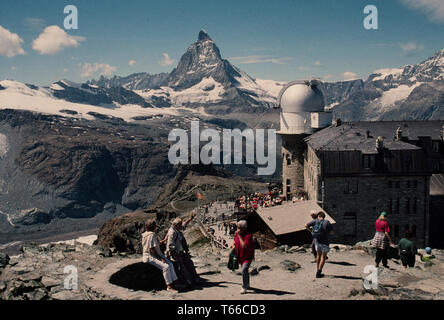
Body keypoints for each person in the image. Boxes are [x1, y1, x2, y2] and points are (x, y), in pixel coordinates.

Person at [165, 211, 203, 287]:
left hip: (181, 252)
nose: (181, 226)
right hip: (175, 254)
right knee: (182, 266)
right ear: (175, 225)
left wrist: (191, 218)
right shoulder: (172, 233)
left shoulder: (177, 229)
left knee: (190, 263)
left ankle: (194, 279)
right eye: (180, 225)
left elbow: (184, 225)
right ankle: (187, 281)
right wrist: (178, 256)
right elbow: (170, 246)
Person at [141, 219, 178, 293]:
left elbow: (156, 244)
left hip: (151, 254)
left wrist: (165, 239)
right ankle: (169, 286)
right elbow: (152, 249)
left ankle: (175, 282)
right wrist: (160, 258)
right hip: (150, 256)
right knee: (166, 267)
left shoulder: (145, 234)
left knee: (170, 264)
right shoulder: (151, 235)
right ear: (153, 226)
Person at [305, 211, 333, 278]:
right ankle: (319, 272)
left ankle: (317, 269)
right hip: (324, 242)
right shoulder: (327, 222)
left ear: (318, 216)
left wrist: (311, 231)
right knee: (323, 257)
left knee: (318, 256)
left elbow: (306, 225)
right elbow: (331, 233)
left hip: (317, 241)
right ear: (323, 216)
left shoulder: (315, 221)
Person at [233, 220, 255, 294]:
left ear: (243, 229)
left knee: (244, 269)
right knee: (245, 271)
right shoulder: (237, 234)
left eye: (239, 228)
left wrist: (239, 236)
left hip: (247, 256)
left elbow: (244, 246)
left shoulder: (248, 236)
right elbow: (235, 243)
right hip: (240, 256)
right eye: (237, 227)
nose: (237, 229)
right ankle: (247, 283)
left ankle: (244, 287)